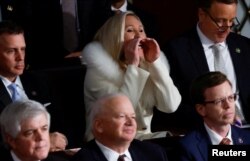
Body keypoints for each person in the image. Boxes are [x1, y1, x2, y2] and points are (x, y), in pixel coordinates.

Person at [82, 11, 181, 141]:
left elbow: (170, 106)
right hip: (108, 141)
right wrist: (133, 66)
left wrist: (155, 63)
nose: (138, 36)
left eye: (141, 30)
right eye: (130, 30)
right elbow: (120, 112)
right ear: (115, 37)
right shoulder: (98, 72)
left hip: (144, 141)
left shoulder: (148, 67)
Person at [163, 0, 250, 132]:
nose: (227, 28)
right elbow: (172, 105)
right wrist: (211, 117)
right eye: (220, 21)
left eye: (231, 21)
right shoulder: (176, 50)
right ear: (202, 14)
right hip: (206, 134)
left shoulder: (245, 46)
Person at [0, 20, 67, 151]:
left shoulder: (38, 81)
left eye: (23, 49)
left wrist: (62, 139)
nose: (20, 57)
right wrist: (44, 142)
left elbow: (63, 125)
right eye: (11, 51)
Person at [71, 93, 169, 161]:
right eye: (121, 116)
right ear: (99, 125)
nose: (131, 122)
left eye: (133, 117)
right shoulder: (82, 159)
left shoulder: (153, 153)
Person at [178, 71, 250, 161]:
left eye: (231, 98)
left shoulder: (248, 138)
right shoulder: (188, 147)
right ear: (201, 109)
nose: (228, 106)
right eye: (219, 101)